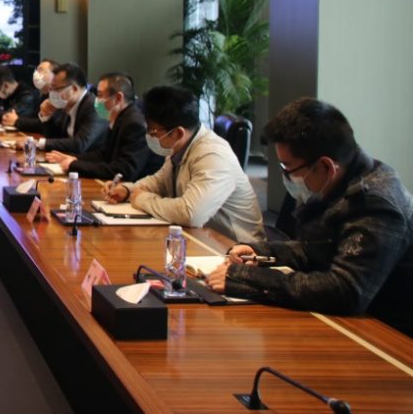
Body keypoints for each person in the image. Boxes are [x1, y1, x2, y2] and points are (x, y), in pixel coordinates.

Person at [205, 98, 413, 336]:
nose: (287, 177)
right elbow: (316, 248)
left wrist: (246, 278)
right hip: (346, 323)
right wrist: (261, 252)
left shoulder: (377, 205)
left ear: (325, 166)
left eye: (288, 168)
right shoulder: (338, 179)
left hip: (386, 336)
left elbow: (345, 291)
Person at [103, 85, 264, 241]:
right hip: (200, 238)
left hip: (236, 247)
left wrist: (141, 199)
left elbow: (191, 213)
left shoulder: (213, 155)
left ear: (178, 132)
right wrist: (127, 190)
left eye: (152, 131)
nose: (149, 136)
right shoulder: (180, 146)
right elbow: (159, 182)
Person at [45, 72, 159, 180]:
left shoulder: (134, 124)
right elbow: (103, 154)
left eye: (100, 95)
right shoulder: (120, 117)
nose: (97, 100)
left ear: (118, 98)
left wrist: (74, 165)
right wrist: (75, 158)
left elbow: (124, 170)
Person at [10, 63, 106, 154]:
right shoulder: (66, 105)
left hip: (88, 162)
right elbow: (55, 137)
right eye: (51, 89)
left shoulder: (95, 106)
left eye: (56, 89)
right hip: (65, 158)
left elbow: (80, 144)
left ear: (74, 89)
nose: (52, 93)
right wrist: (46, 117)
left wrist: (38, 143)